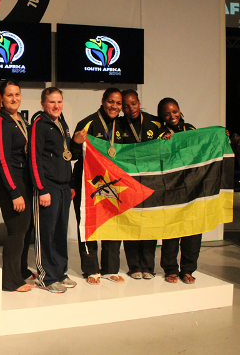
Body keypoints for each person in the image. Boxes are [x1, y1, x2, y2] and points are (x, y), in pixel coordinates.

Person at [70, 88, 124, 285]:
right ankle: (91, 269)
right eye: (111, 101)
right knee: (88, 223)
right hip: (87, 183)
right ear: (103, 101)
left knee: (112, 223)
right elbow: (72, 155)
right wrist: (75, 143)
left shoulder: (123, 125)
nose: (114, 106)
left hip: (114, 183)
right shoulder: (87, 123)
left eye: (118, 103)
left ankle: (110, 269)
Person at [29, 87, 77, 293]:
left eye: (59, 102)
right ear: (43, 104)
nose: (56, 106)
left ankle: (60, 272)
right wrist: (41, 189)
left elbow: (65, 156)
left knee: (60, 233)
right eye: (51, 102)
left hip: (63, 187)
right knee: (46, 234)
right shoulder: (39, 124)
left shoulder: (61, 122)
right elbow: (34, 158)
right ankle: (46, 277)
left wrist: (70, 184)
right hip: (47, 187)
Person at [0, 80, 35, 292]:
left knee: (24, 228)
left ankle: (21, 271)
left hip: (21, 177)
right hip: (8, 180)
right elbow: (2, 159)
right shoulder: (0, 121)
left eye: (17, 94)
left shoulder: (20, 119)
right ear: (1, 98)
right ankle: (10, 281)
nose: (14, 98)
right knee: (16, 230)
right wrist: (14, 192)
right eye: (9, 95)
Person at [119, 89, 164, 280]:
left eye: (134, 104)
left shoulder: (155, 123)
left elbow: (172, 138)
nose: (131, 108)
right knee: (131, 223)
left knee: (149, 224)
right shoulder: (119, 125)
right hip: (129, 183)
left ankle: (148, 266)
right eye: (126, 106)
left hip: (150, 181)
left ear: (139, 102)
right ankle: (134, 266)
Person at [157, 97, 200, 285]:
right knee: (171, 231)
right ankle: (171, 269)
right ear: (161, 116)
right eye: (167, 113)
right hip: (171, 189)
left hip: (192, 188)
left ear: (180, 111)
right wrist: (163, 142)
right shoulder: (160, 133)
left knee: (193, 230)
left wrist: (220, 136)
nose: (172, 116)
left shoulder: (190, 130)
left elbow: (203, 147)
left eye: (174, 111)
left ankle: (188, 270)